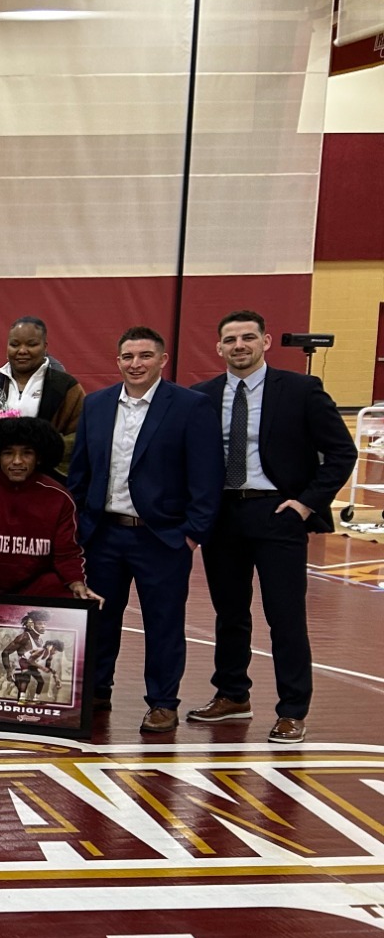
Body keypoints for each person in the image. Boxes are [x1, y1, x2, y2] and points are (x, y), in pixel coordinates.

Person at [184, 309, 357, 743]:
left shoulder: (301, 390)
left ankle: (293, 709)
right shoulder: (202, 396)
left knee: (285, 616)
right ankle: (232, 695)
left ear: (266, 341)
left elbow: (342, 452)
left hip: (278, 514)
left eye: (247, 337)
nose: (238, 345)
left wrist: (305, 504)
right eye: (230, 339)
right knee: (229, 613)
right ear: (218, 347)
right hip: (223, 516)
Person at [66, 326, 222, 734]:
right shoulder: (97, 405)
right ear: (117, 361)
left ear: (162, 360)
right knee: (100, 618)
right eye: (128, 357)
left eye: (145, 356)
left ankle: (163, 702)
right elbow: (80, 472)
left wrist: (191, 534)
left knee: (163, 623)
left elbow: (207, 478)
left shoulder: (190, 406)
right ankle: (97, 690)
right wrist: (82, 524)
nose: (136, 364)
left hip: (162, 538)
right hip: (103, 535)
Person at [0, 415, 96, 602]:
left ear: (39, 457)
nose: (17, 461)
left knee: (62, 591)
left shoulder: (59, 498)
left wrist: (78, 585)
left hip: (34, 591)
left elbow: (68, 554)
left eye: (27, 453)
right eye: (8, 453)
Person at [0, 316, 84, 475]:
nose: (22, 351)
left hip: (48, 479)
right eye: (14, 344)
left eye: (31, 344)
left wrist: (42, 453)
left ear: (44, 346)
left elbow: (80, 434)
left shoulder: (65, 386)